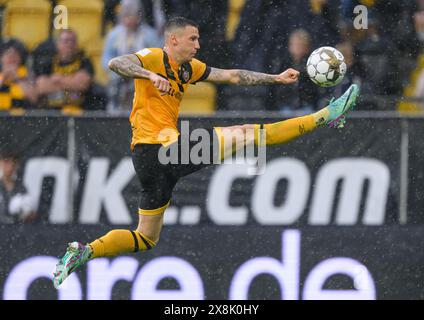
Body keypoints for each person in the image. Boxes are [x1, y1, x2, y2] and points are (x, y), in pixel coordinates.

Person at [53, 17, 359, 288]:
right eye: (192, 39)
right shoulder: (153, 58)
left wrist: (275, 78)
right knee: (248, 134)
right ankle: (326, 115)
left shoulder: (188, 69)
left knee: (146, 237)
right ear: (173, 40)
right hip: (160, 150)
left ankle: (84, 251)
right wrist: (148, 75)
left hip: (151, 160)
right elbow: (116, 63)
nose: (198, 45)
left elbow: (232, 76)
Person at [102, 0, 164, 111]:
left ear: (139, 15)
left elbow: (158, 58)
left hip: (143, 79)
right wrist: (119, 71)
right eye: (126, 15)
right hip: (119, 80)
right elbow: (106, 58)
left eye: (133, 15)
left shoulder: (149, 35)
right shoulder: (114, 35)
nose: (130, 19)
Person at [34, 29, 100, 112]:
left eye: (73, 41)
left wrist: (57, 80)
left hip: (80, 112)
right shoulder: (49, 61)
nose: (69, 44)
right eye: (66, 41)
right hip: (52, 112)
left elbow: (82, 84)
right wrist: (71, 82)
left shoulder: (84, 61)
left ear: (76, 44)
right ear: (58, 44)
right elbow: (41, 87)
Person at [0, 150, 37, 223]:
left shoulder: (21, 187)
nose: (10, 166)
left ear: (16, 166)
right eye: (6, 162)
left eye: (13, 163)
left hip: (15, 230)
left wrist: (27, 213)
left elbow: (32, 215)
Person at [0, 39, 38, 110]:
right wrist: (3, 77)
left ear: (20, 59)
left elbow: (33, 98)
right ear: (1, 58)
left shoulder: (27, 73)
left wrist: (17, 79)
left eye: (15, 55)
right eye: (8, 54)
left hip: (19, 117)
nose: (11, 58)